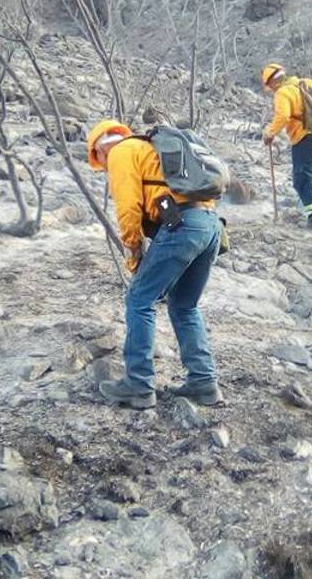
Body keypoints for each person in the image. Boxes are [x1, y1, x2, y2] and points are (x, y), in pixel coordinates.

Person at [86, 120, 224, 409]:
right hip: (210, 225)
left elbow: (128, 207)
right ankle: (204, 383)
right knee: (184, 306)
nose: (104, 168)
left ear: (99, 149)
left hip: (183, 225)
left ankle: (138, 385)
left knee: (139, 300)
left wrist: (133, 248)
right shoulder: (150, 149)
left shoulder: (123, 152)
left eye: (99, 162)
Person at [260, 63, 312, 229]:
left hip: (305, 140)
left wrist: (270, 133)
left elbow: (283, 116)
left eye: (271, 87)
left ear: (273, 83)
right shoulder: (309, 83)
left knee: (302, 180)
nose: (272, 91)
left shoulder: (283, 92)